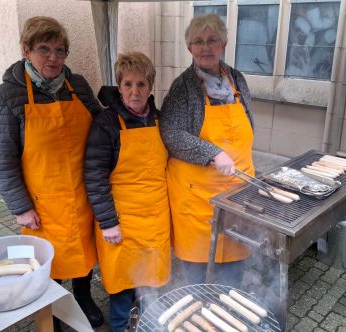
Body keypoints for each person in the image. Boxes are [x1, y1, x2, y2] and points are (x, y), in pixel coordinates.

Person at [0, 16, 104, 329]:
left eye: (60, 50)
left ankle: (83, 296)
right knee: (46, 261)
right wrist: (21, 207)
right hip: (41, 201)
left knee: (83, 251)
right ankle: (50, 308)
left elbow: (101, 125)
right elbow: (1, 159)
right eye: (44, 49)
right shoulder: (8, 95)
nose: (53, 57)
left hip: (82, 192)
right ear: (26, 50)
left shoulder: (76, 85)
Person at [160, 14, 254, 286]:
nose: (205, 47)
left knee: (234, 261)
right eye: (198, 42)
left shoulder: (237, 79)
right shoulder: (183, 87)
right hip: (197, 195)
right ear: (189, 48)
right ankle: (199, 309)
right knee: (198, 268)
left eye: (212, 40)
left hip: (237, 188)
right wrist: (212, 153)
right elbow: (171, 133)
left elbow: (248, 125)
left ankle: (226, 307)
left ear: (223, 43)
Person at [85, 52, 170, 332]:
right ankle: (122, 327)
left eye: (142, 84)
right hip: (122, 221)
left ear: (151, 87)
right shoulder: (107, 123)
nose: (135, 92)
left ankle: (147, 325)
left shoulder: (159, 119)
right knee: (122, 288)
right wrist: (108, 222)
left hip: (155, 218)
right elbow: (95, 176)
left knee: (151, 284)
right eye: (128, 84)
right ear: (119, 86)